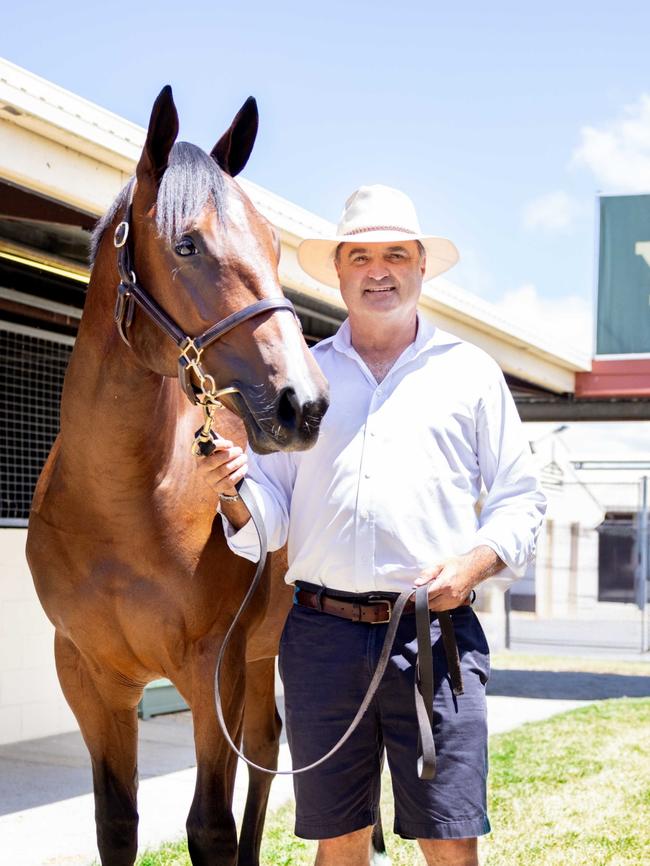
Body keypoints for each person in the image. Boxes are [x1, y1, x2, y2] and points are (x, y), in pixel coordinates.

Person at [196, 184, 546, 866]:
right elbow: (266, 518)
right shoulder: (306, 379)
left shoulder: (469, 374)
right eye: (360, 256)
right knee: (340, 839)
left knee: (450, 837)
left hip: (435, 637)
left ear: (421, 267)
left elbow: (521, 500)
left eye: (394, 254)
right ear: (339, 271)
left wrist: (472, 565)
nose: (377, 270)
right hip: (322, 638)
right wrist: (232, 491)